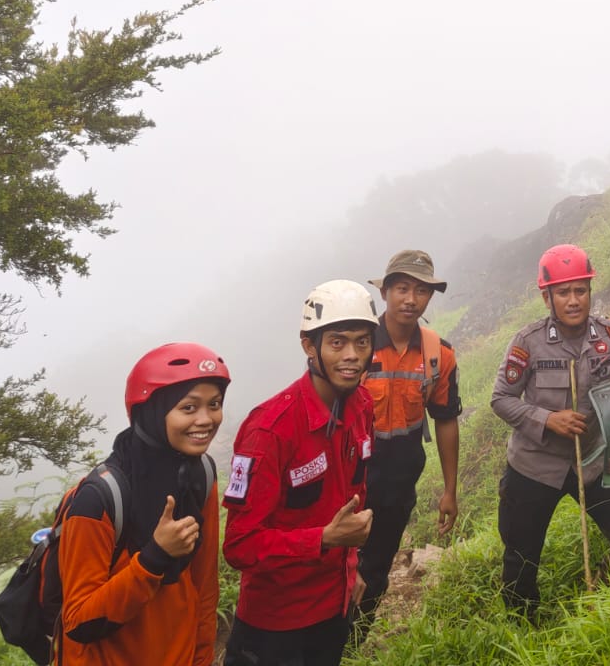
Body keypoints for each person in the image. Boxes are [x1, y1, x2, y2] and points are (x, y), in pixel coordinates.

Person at [222, 281, 379, 666]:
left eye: (362, 342)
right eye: (337, 342)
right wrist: (322, 539)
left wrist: (350, 564)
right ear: (310, 346)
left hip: (334, 607)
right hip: (276, 627)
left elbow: (353, 496)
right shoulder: (270, 430)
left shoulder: (361, 405)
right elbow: (240, 546)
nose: (352, 356)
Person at [490, 244, 610, 620]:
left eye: (581, 290)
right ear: (546, 296)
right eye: (563, 292)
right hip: (533, 467)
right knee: (520, 557)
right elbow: (501, 399)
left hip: (593, 459)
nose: (574, 300)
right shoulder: (527, 342)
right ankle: (524, 624)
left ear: (590, 291)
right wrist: (548, 419)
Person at [55, 342, 230, 666]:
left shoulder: (200, 475)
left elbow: (204, 587)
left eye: (215, 404)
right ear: (151, 410)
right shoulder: (100, 499)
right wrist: (154, 558)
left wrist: (202, 658)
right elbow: (79, 622)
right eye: (189, 408)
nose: (207, 419)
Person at [350, 249, 461, 641]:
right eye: (401, 288)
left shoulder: (438, 354)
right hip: (348, 478)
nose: (411, 299)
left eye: (421, 290)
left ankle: (352, 643)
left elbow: (446, 420)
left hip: (398, 480)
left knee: (376, 570)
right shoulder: (354, 345)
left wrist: (449, 490)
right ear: (385, 292)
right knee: (333, 566)